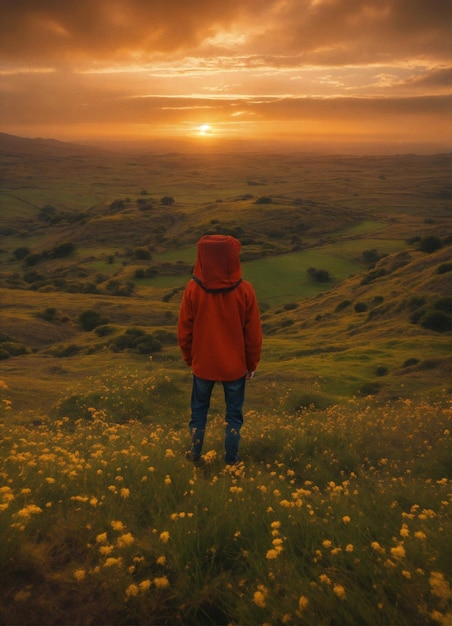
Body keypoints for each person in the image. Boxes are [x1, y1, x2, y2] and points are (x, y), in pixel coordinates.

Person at [178, 234, 262, 465]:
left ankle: (194, 457)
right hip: (235, 367)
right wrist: (251, 364)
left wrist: (190, 359)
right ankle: (232, 462)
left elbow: (184, 330)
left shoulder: (193, 289)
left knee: (198, 415)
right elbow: (252, 334)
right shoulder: (245, 290)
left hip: (202, 364)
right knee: (234, 417)